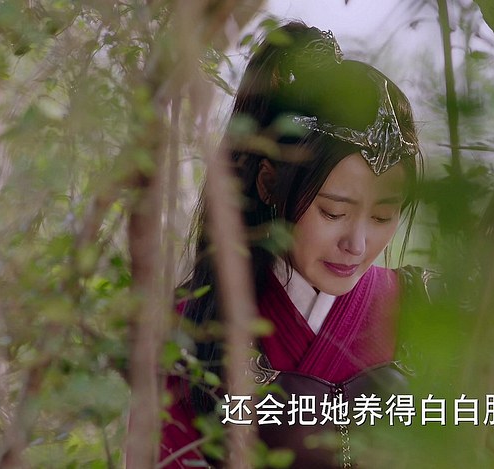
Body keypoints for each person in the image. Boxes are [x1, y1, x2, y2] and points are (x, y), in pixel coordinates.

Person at [159, 22, 425, 468]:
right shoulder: (191, 328)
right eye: (333, 212)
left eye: (383, 217)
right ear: (269, 184)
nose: (357, 244)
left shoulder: (429, 311)